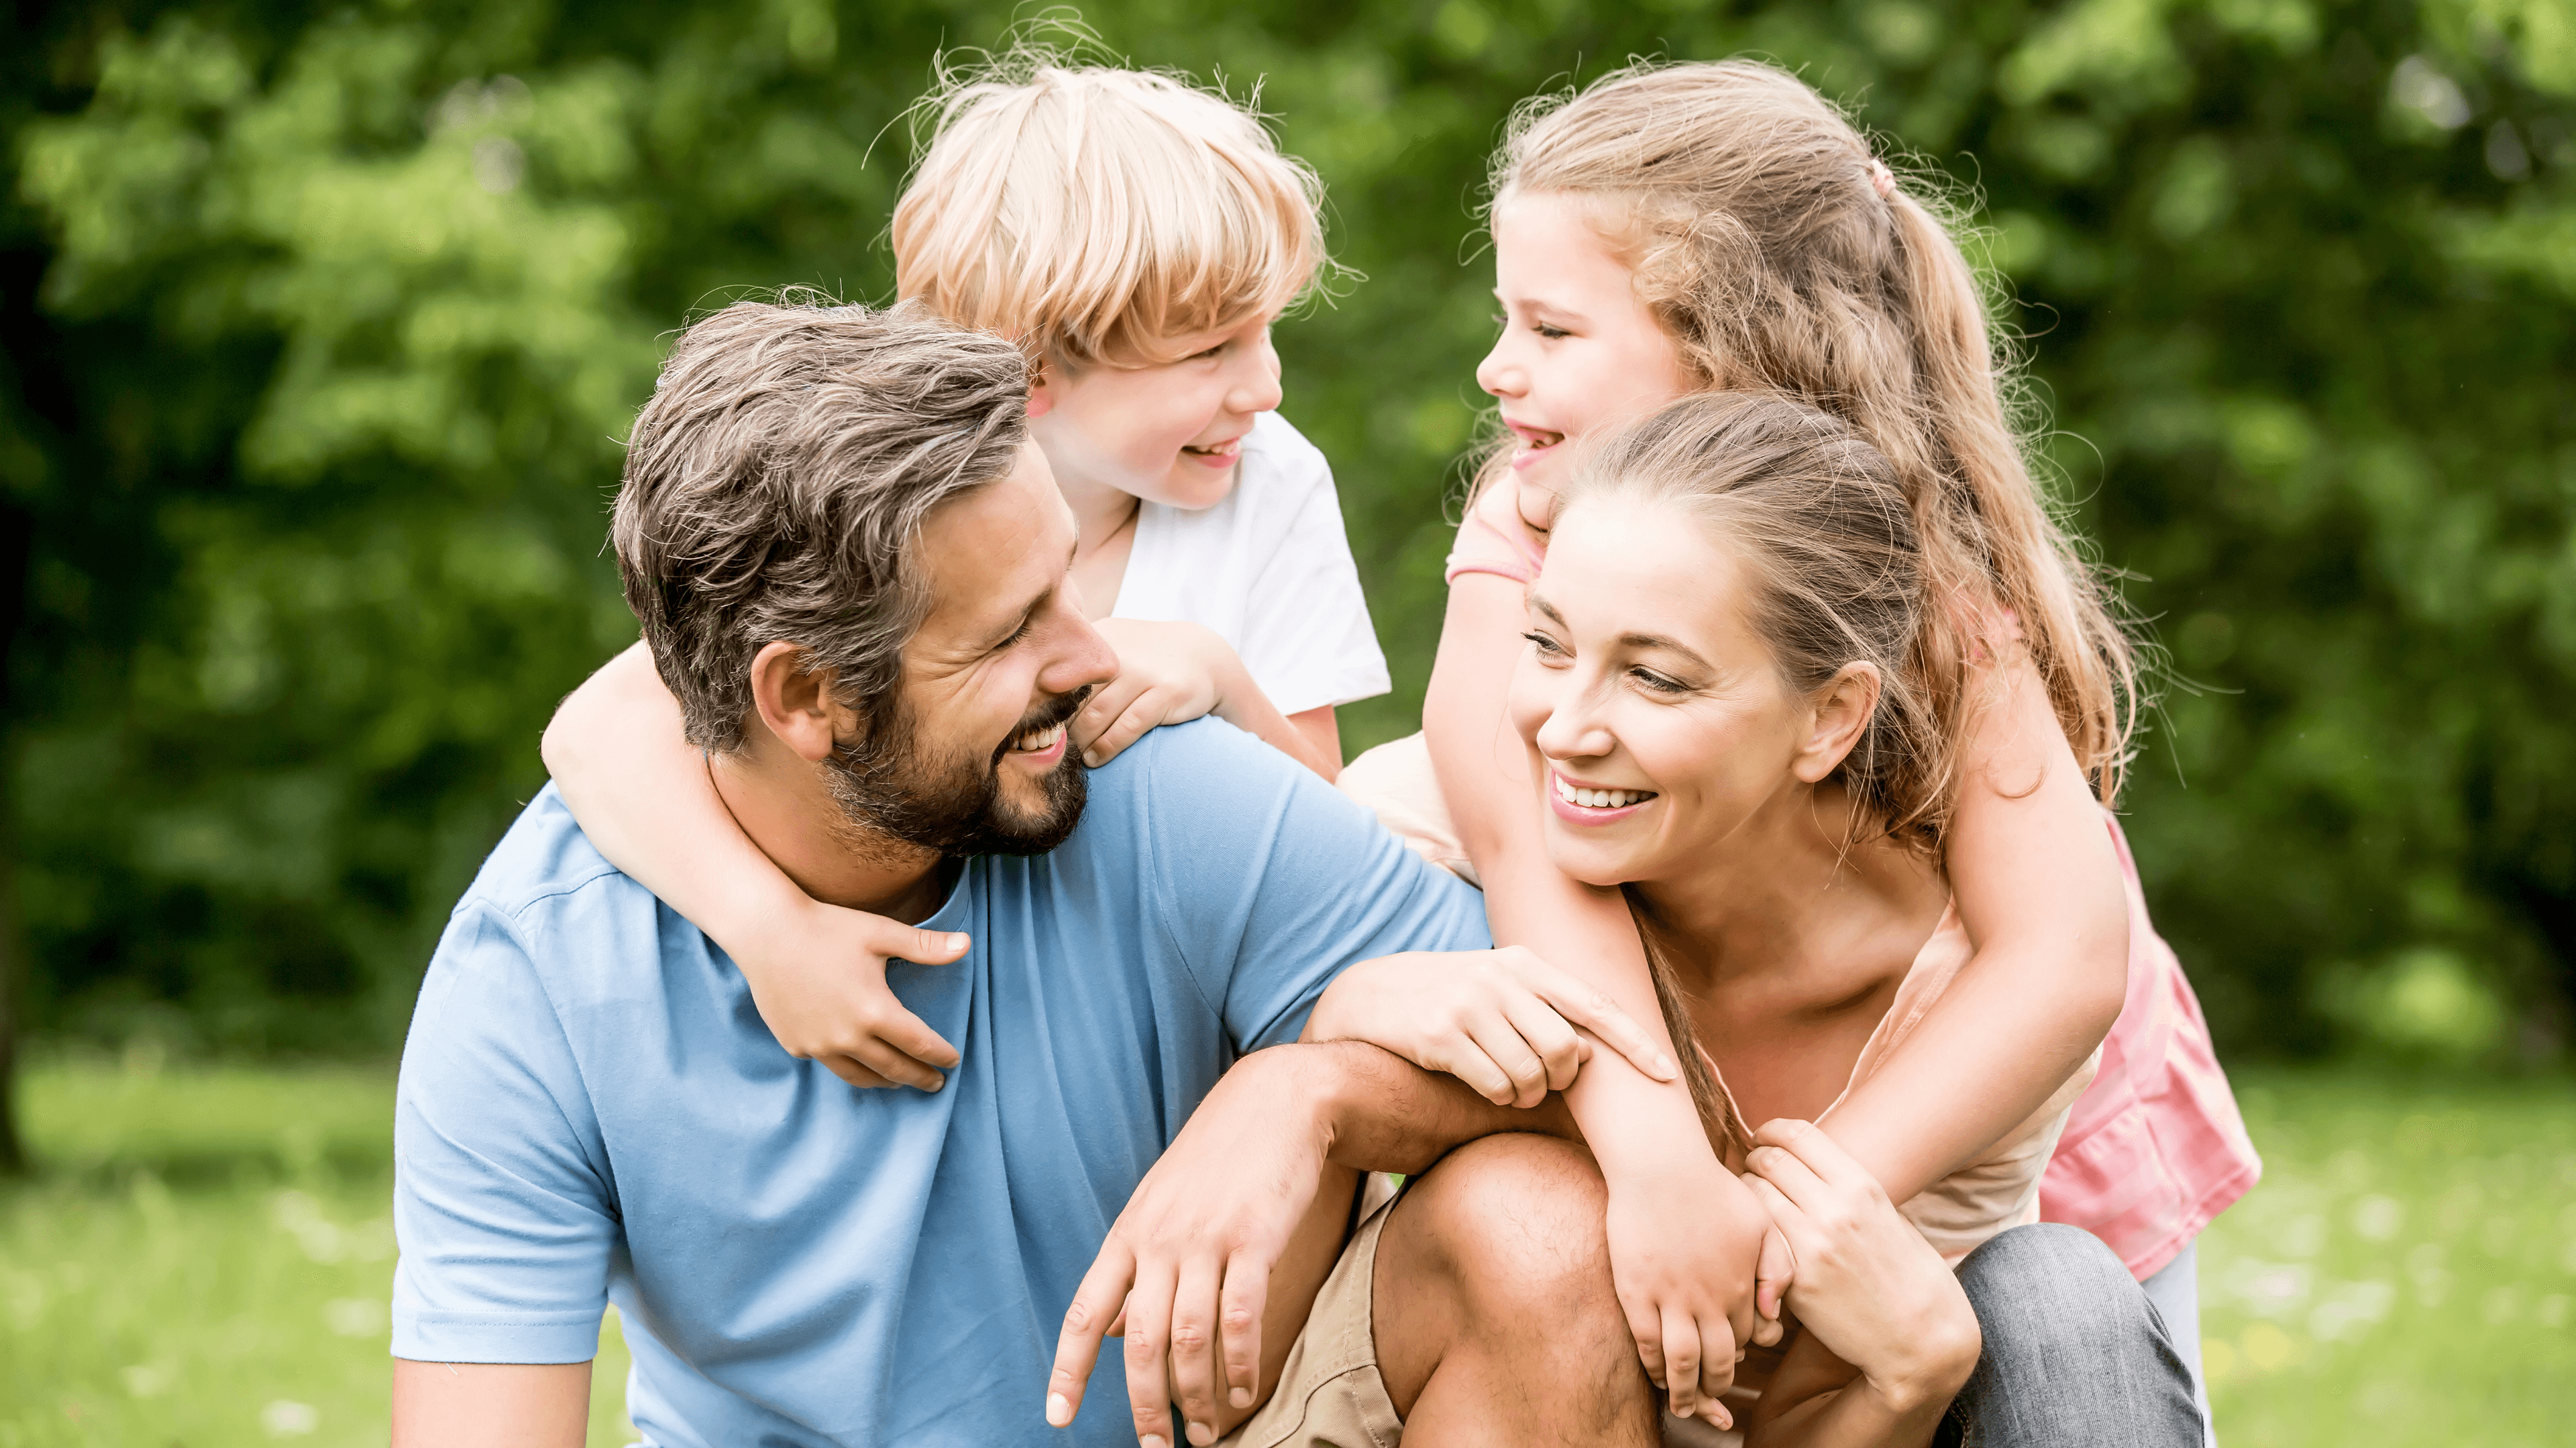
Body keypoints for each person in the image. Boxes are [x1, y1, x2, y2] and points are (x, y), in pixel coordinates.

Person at [387, 298, 1681, 1447]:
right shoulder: (540, 974)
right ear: (807, 696)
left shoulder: (1151, 776)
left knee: (1536, 1226)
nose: (1094, 658)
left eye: (1068, 583)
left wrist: (1311, 1092)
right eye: (1010, 633)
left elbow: (1613, 1075)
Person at [1336, 60, 2257, 1426]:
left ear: (1723, 348)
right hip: (1731, 1064)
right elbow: (1515, 827)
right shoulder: (1535, 514)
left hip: (1998, 1073)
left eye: (1552, 326)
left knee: (2073, 1328)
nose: (1498, 367)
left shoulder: (1921, 558)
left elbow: (2063, 955)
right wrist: (1663, 1165)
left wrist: (1789, 1211)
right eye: (1504, 317)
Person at [1057, 392, 2205, 1448]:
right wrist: (1316, 1053)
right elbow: (1239, 1372)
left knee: (2061, 1299)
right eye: (1547, 643)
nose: (1564, 728)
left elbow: (1785, 1414)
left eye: (1656, 677)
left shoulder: (1973, 1002)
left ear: (1831, 718)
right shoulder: (1438, 842)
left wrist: (1903, 1384)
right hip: (1461, 1395)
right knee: (1532, 1215)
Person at [536, 56, 1388, 1100]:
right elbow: (594, 732)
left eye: (1267, 331)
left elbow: (1330, 841)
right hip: (947, 1019)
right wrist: (770, 930)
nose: (1266, 385)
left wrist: (1222, 677)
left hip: (1173, 1051)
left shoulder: (1268, 482)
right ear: (1033, 371)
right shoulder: (889, 492)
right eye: (1211, 350)